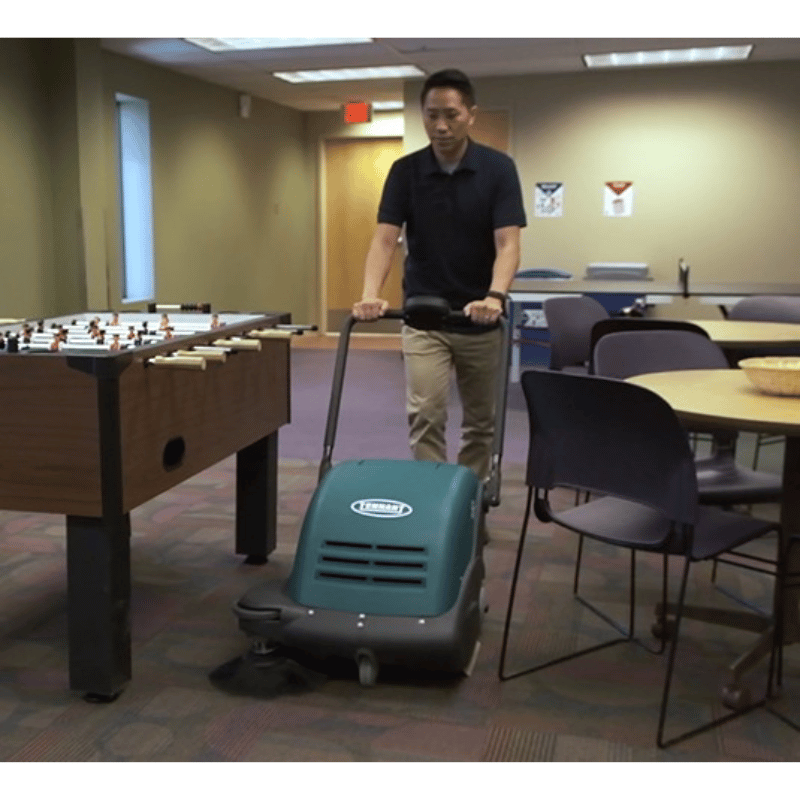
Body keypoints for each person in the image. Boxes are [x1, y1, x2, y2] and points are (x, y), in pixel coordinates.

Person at [352, 69, 526, 481]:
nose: (441, 126)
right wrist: (369, 293)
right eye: (431, 116)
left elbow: (509, 244)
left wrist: (495, 297)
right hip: (424, 318)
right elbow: (384, 241)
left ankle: (471, 501)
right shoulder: (405, 171)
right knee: (426, 415)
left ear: (471, 115)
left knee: (480, 425)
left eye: (450, 115)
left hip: (479, 318)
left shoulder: (498, 169)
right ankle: (436, 502)